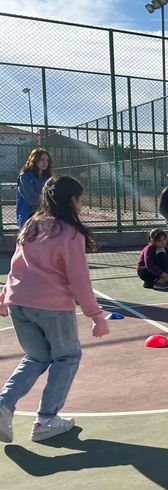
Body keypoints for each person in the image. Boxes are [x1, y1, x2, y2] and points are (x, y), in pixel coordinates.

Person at [0, 175, 110, 444]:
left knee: (36, 357)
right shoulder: (69, 232)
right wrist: (96, 316)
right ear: (72, 200)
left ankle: (3, 405)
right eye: (80, 198)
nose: (81, 204)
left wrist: (4, 297)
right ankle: (46, 420)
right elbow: (79, 279)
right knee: (67, 357)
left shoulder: (31, 225)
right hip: (50, 306)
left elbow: (16, 265)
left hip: (19, 303)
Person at [16, 148, 53, 229]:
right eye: (41, 159)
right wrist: (49, 201)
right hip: (29, 214)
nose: (45, 162)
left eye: (47, 160)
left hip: (46, 213)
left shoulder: (48, 177)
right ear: (34, 160)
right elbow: (32, 199)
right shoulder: (25, 176)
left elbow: (53, 194)